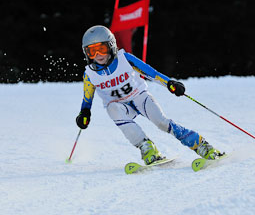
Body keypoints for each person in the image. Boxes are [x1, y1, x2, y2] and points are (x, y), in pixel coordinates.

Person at [76, 25, 223, 165]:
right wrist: (84, 113)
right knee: (111, 108)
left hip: (139, 97)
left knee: (162, 123)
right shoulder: (90, 74)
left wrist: (170, 84)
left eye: (101, 49)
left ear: (111, 46)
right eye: (91, 51)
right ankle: (147, 148)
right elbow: (87, 99)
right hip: (121, 106)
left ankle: (202, 145)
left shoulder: (124, 59)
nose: (98, 55)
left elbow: (152, 73)